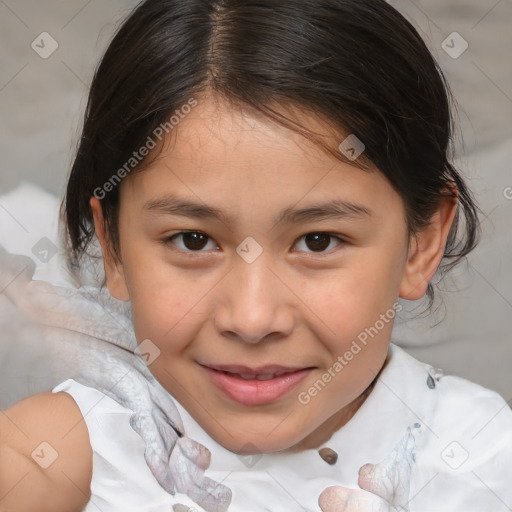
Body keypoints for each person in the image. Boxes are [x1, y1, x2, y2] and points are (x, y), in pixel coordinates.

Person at [1, 0, 511, 511]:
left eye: (318, 241)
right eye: (193, 240)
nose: (251, 319)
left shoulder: (483, 458)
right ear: (114, 248)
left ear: (420, 244)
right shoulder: (70, 452)